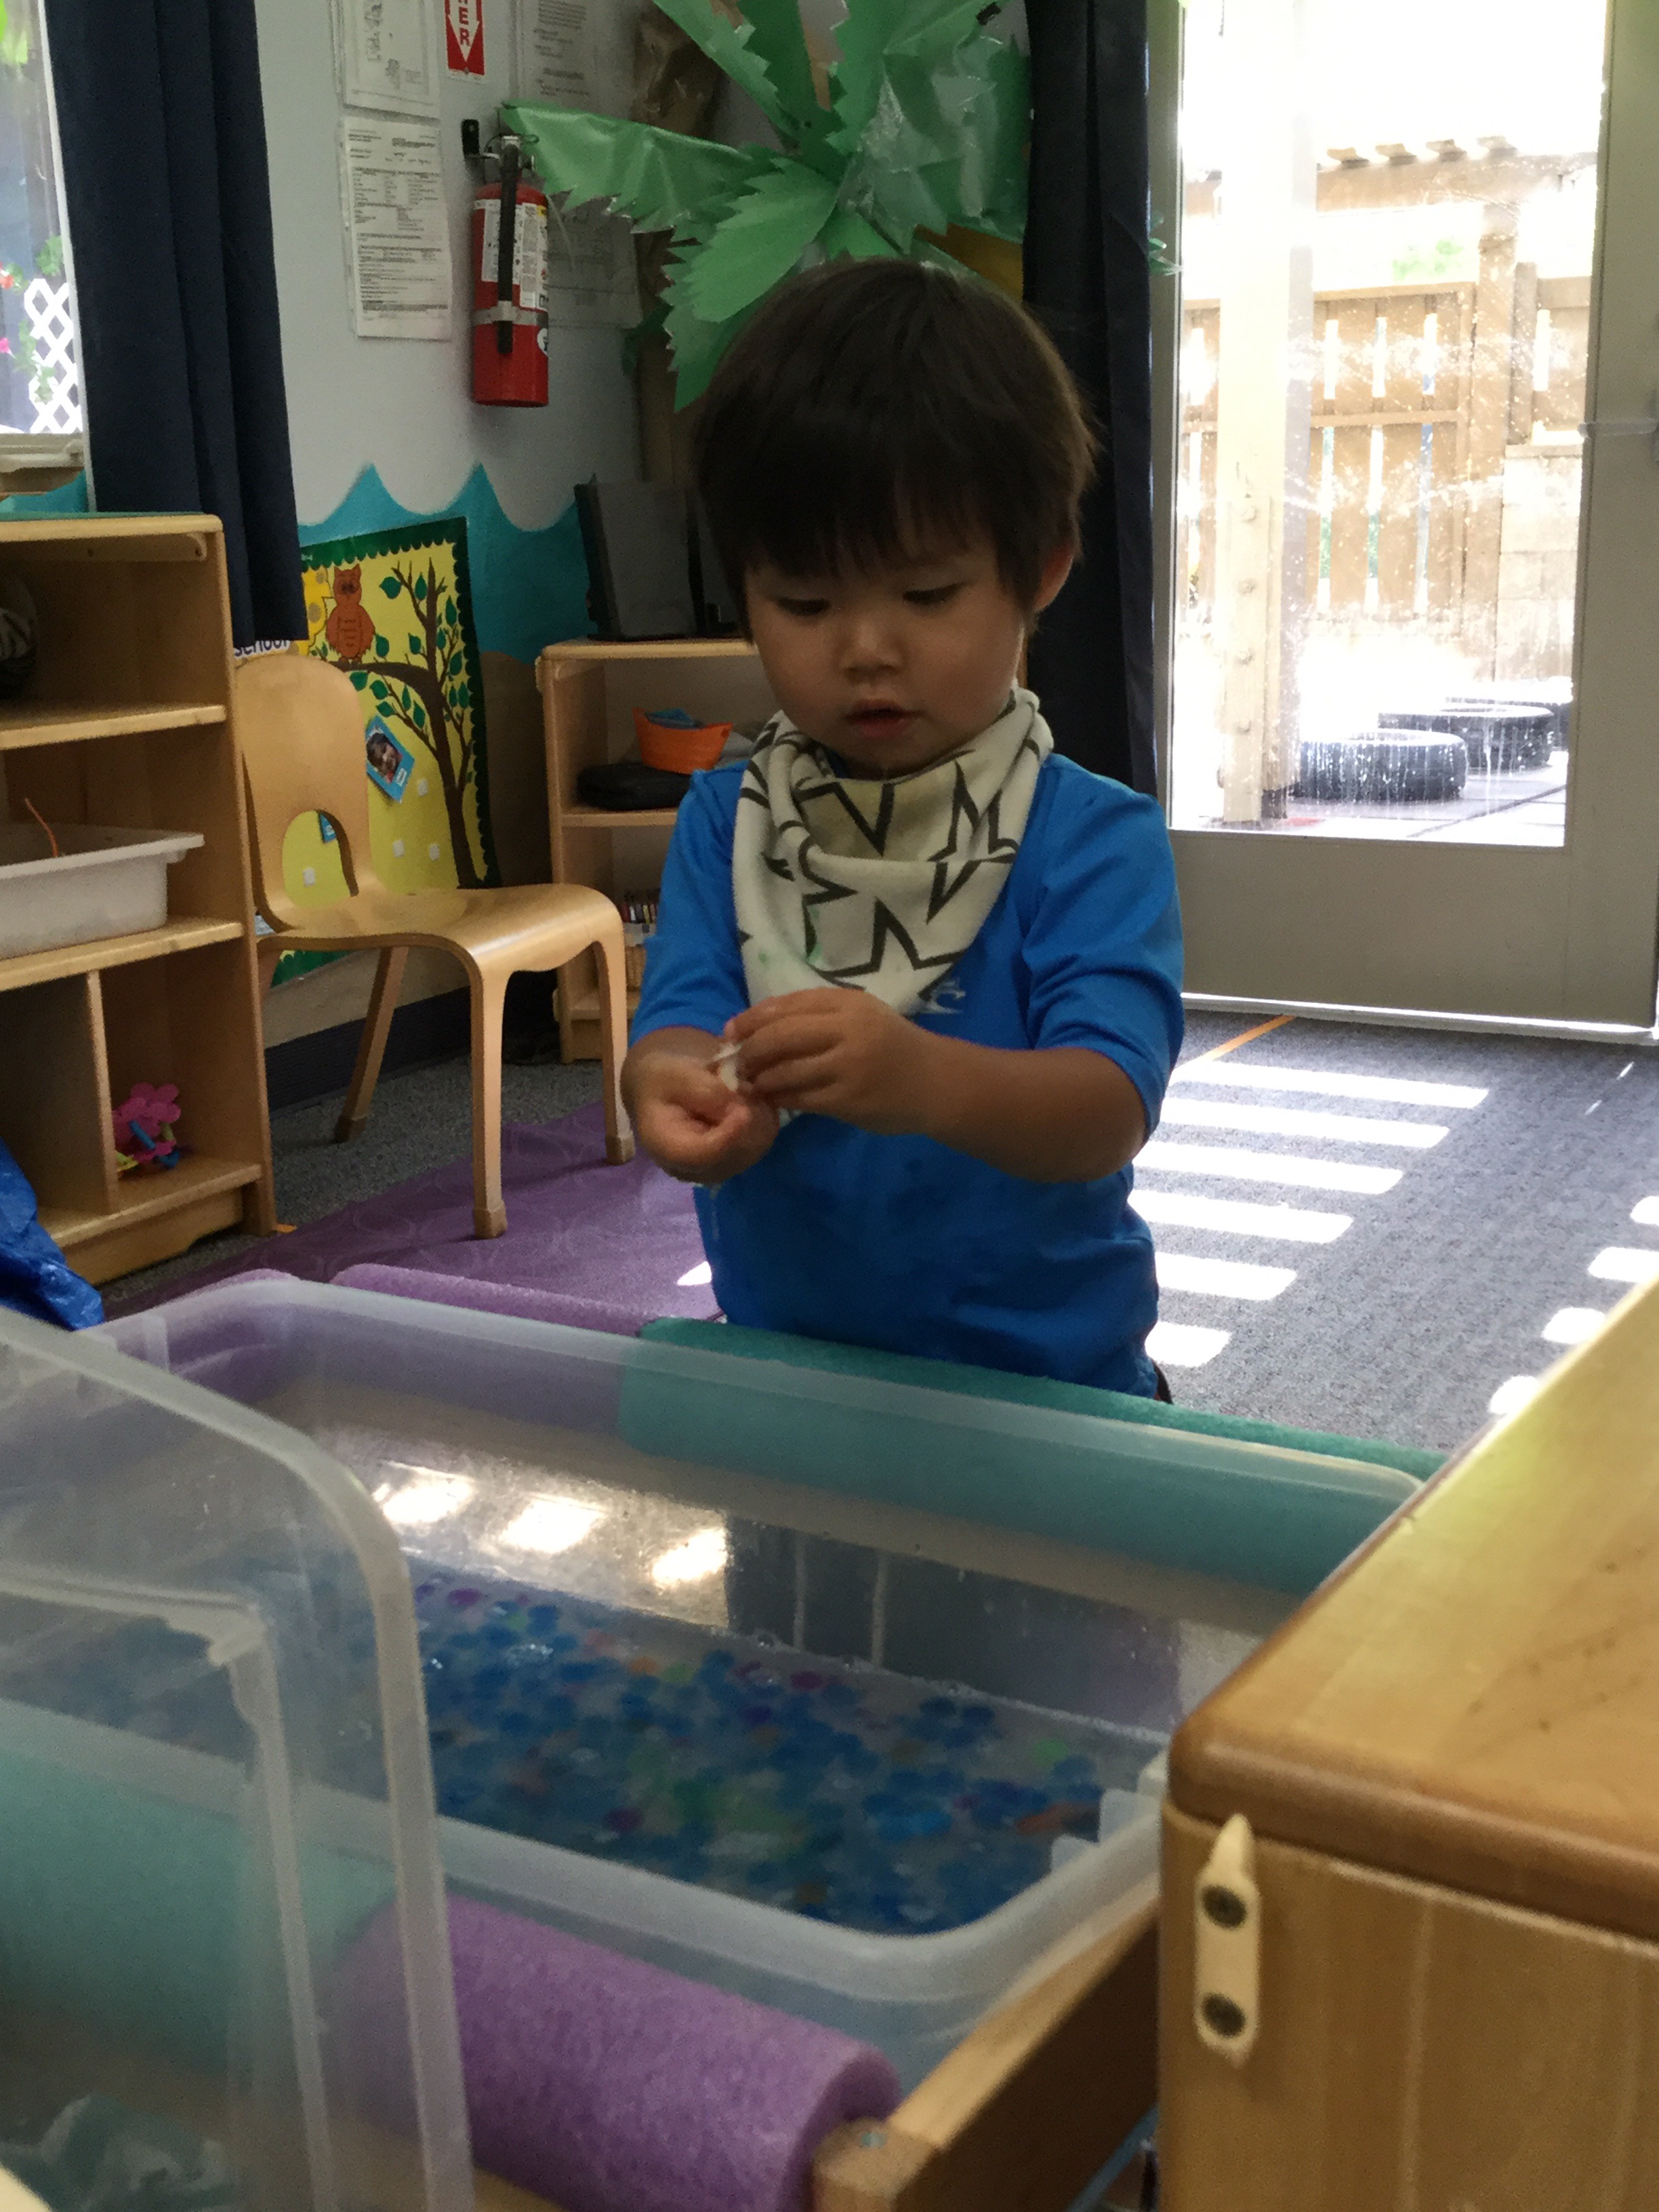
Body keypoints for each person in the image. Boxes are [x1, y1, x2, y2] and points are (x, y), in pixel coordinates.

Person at [622, 258, 1183, 1395]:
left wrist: (923, 1079)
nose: (866, 650)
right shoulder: (728, 822)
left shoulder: (1089, 839)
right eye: (805, 601)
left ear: (1041, 570)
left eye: (927, 595)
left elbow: (1107, 1109)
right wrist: (672, 1089)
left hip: (1047, 1390)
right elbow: (681, 1025)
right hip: (795, 1376)